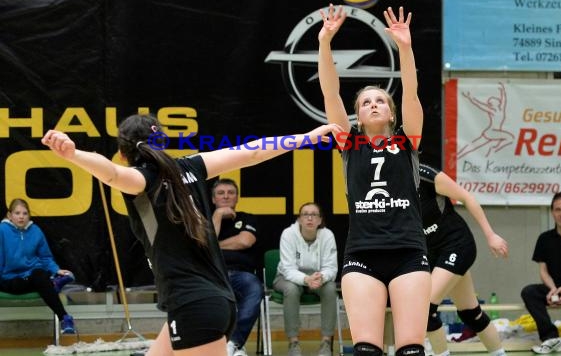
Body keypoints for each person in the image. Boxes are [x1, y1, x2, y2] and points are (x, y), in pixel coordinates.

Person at [41, 114, 336, 356]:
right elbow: (255, 151)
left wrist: (73, 153)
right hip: (211, 302)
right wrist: (308, 137)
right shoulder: (193, 167)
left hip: (193, 304)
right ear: (163, 141)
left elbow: (112, 175)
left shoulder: (142, 180)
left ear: (122, 153)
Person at [317, 4, 430, 356]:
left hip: (409, 252)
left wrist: (405, 48)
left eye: (381, 100)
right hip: (362, 254)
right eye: (366, 102)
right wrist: (325, 42)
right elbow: (330, 94)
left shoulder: (406, 141)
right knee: (366, 349)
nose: (374, 105)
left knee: (410, 349)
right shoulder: (349, 144)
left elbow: (410, 94)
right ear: (359, 115)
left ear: (391, 112)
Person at [418, 164, 508, 356]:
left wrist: (491, 235)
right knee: (470, 313)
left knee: (425, 309)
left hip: (457, 245)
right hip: (433, 252)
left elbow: (467, 197)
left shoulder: (426, 175)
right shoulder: (391, 184)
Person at [0, 198, 76, 334]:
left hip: (32, 277)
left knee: (39, 275)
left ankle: (65, 318)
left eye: (24, 213)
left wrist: (56, 269)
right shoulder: (2, 230)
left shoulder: (36, 230)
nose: (21, 217)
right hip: (9, 279)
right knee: (43, 281)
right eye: (17, 213)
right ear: (9, 215)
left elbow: (45, 257)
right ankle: (53, 283)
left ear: (29, 215)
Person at [273, 202, 338, 356]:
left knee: (330, 289)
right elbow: (288, 269)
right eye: (305, 214)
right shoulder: (288, 234)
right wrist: (306, 279)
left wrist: (320, 277)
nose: (309, 218)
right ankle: (293, 343)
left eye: (314, 215)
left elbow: (331, 268)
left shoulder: (327, 235)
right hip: (286, 277)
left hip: (317, 278)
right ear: (299, 219)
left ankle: (326, 342)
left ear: (320, 220)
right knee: (292, 289)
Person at [211, 178, 264, 356]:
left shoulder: (248, 217)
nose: (226, 196)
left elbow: (245, 241)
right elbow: (203, 245)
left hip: (243, 275)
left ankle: (233, 343)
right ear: (213, 199)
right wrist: (217, 216)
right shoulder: (204, 220)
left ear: (237, 198)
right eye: (220, 193)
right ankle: (224, 347)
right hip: (213, 274)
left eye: (231, 193)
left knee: (254, 287)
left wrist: (214, 244)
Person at [521, 192, 561, 354]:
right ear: (552, 212)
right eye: (558, 210)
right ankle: (551, 338)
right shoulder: (544, 238)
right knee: (529, 292)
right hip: (553, 289)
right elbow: (543, 270)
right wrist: (553, 289)